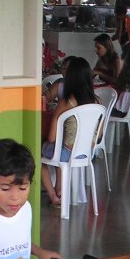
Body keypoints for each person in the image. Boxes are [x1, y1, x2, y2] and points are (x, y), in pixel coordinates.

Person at [40, 57, 101, 208]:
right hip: (87, 152)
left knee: (36, 153)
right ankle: (59, 190)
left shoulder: (66, 102)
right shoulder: (98, 102)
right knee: (57, 150)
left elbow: (52, 137)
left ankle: (54, 196)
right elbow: (99, 135)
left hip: (67, 152)